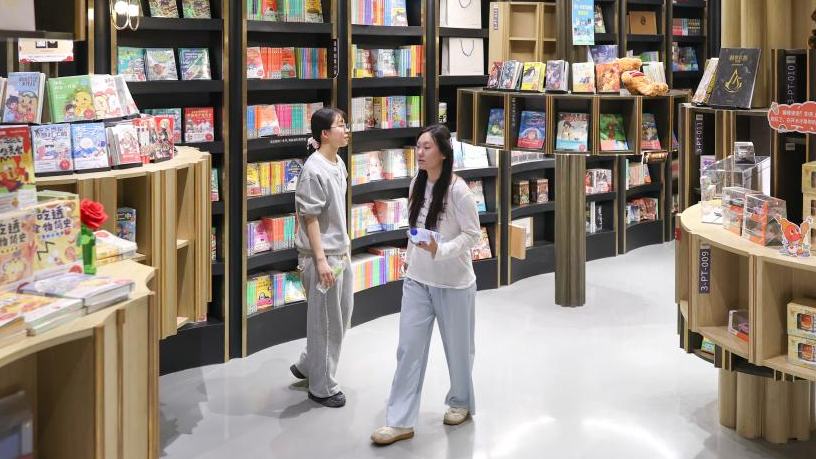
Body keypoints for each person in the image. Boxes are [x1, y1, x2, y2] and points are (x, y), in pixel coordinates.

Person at [371, 124, 481, 445]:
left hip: (455, 284)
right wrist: (413, 254)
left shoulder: (459, 191)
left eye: (426, 147)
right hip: (417, 280)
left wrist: (442, 250)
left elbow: (472, 234)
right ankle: (400, 420)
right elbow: (416, 226)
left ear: (443, 153)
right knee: (408, 349)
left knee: (459, 350)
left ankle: (460, 401)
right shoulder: (416, 183)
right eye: (418, 147)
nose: (419, 153)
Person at [290, 107, 353, 408]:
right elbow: (309, 217)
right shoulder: (313, 170)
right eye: (341, 125)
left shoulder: (338, 162)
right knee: (328, 323)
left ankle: (308, 364)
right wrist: (320, 261)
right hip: (323, 257)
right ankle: (322, 386)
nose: (346, 129)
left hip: (340, 252)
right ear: (325, 134)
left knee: (339, 316)